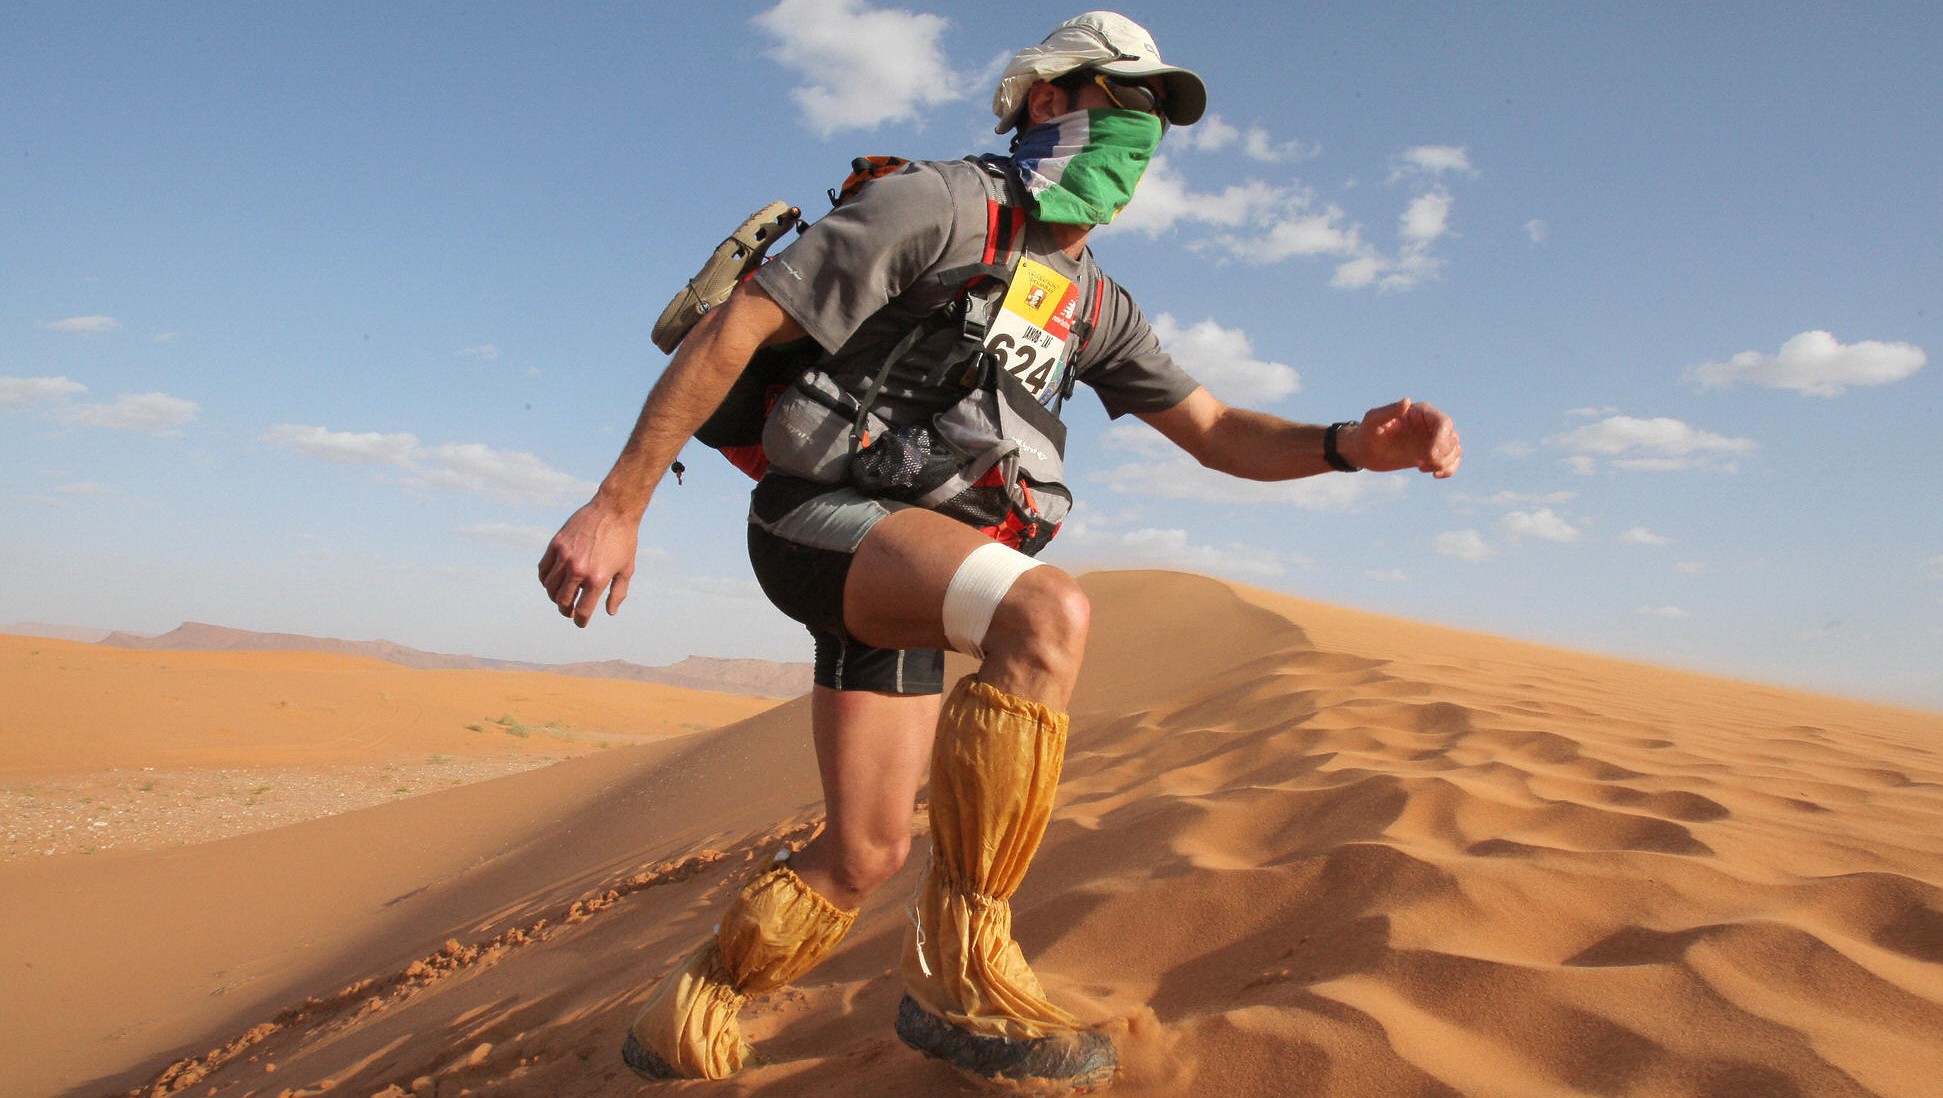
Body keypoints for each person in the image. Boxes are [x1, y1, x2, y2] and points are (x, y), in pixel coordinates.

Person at [537, 10, 1461, 1090]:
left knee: (864, 853)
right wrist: (615, 506)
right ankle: (959, 976)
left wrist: (1350, 445)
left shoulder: (1094, 303)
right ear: (1045, 99)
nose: (1139, 133)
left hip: (917, 565)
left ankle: (683, 1017)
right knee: (1043, 612)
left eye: (1156, 116)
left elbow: (1213, 433)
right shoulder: (938, 204)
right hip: (817, 521)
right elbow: (737, 327)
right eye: (1121, 101)